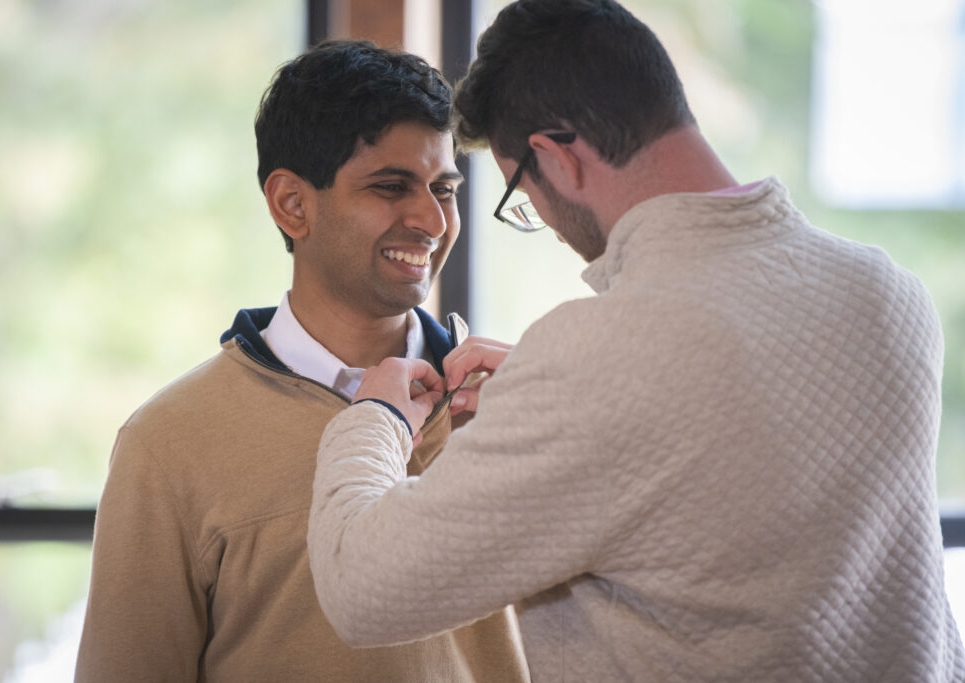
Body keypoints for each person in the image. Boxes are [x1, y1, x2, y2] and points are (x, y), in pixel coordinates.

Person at [306, 2, 965, 681]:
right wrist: (549, 393)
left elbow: (361, 591)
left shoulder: (596, 359)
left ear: (556, 159)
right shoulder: (889, 291)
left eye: (522, 195)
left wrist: (375, 417)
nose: (547, 224)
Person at [75, 40, 529, 682]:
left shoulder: (515, 402)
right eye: (392, 186)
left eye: (444, 189)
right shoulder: (167, 444)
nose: (432, 218)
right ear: (292, 203)